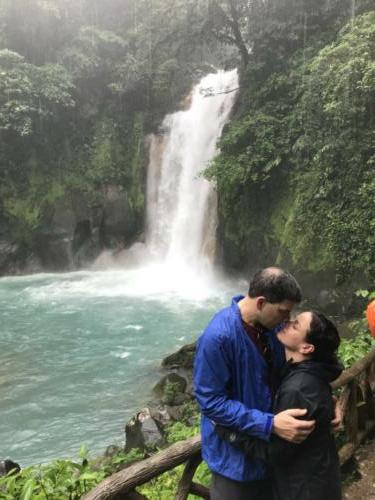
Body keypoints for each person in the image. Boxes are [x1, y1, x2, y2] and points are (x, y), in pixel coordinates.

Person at [193, 267, 316, 500]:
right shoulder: (218, 337)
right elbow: (211, 403)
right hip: (234, 461)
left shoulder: (273, 328)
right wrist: (269, 424)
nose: (287, 320)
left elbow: (285, 373)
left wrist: (320, 402)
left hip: (270, 452)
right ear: (261, 303)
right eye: (282, 312)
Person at [216, 311, 343, 500]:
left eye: (295, 325)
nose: (287, 322)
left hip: (303, 488)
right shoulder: (313, 372)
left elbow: (276, 452)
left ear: (307, 347)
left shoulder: (297, 390)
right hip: (319, 477)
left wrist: (227, 431)